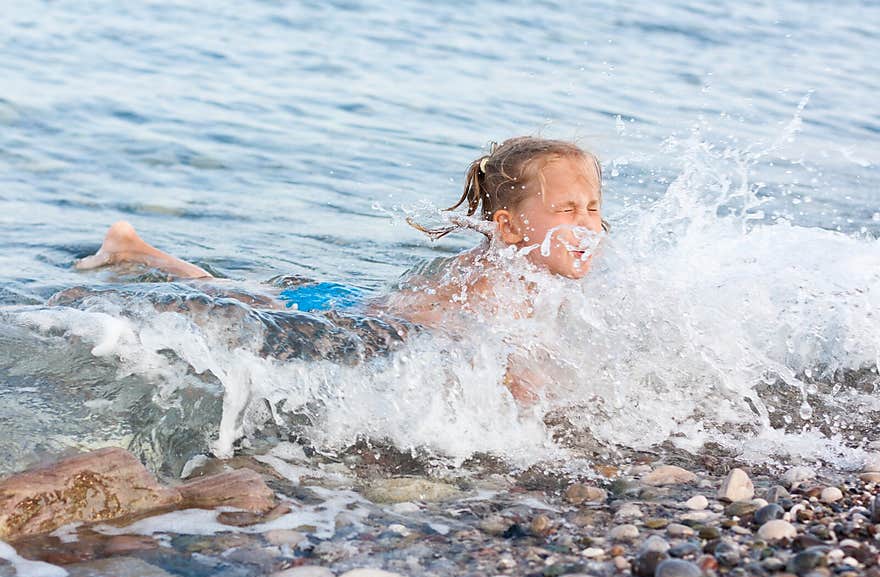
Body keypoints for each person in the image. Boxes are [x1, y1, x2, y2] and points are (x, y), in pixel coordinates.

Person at [73, 136, 607, 399]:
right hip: (355, 321)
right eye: (566, 210)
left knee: (244, 290)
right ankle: (132, 251)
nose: (585, 224)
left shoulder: (533, 274)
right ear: (510, 227)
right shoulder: (496, 277)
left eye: (593, 208)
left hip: (361, 307)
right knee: (232, 298)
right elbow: (487, 353)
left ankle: (134, 249)